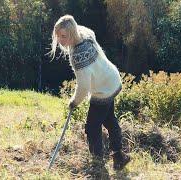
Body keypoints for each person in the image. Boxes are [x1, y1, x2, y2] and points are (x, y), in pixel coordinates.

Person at [49, 15, 130, 171]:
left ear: (72, 34)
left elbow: (84, 87)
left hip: (103, 90)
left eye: (64, 36)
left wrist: (73, 102)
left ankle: (98, 165)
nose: (60, 40)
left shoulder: (78, 56)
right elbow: (88, 29)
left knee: (92, 127)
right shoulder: (85, 33)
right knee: (108, 119)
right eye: (58, 35)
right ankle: (119, 156)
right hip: (112, 79)